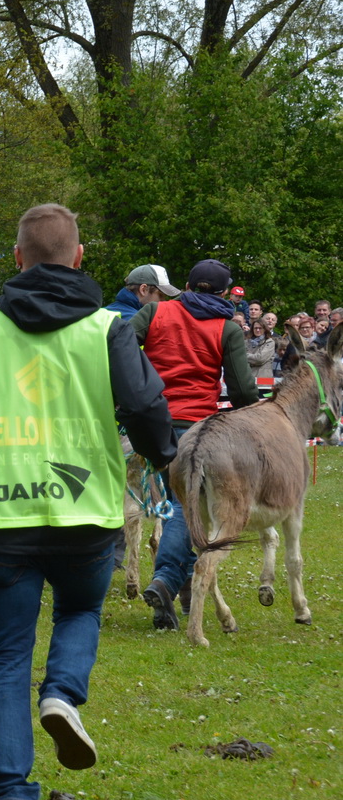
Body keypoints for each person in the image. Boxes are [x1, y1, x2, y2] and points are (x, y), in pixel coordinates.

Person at [0, 203, 176, 800]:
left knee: (5, 658)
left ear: (17, 257)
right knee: (80, 612)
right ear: (79, 257)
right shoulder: (109, 328)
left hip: (2, 516)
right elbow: (146, 405)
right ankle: (61, 694)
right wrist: (162, 455)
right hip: (86, 515)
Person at [134, 259, 260, 630]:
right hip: (195, 428)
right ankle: (166, 580)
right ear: (226, 293)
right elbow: (241, 390)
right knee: (186, 507)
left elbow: (118, 347)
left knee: (176, 509)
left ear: (187, 285)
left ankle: (181, 598)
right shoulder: (226, 328)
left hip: (150, 424)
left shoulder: (154, 312)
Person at [107, 263, 179, 318]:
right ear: (143, 290)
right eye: (160, 295)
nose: (164, 301)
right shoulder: (136, 323)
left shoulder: (105, 313)